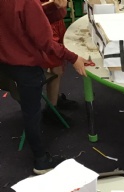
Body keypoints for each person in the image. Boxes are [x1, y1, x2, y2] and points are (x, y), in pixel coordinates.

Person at [0, 0, 87, 175]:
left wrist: (51, 8)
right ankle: (41, 161)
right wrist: (73, 57)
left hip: (6, 63)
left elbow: (22, 18)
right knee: (31, 113)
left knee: (30, 110)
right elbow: (44, 41)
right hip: (25, 66)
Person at [41, 0, 79, 121]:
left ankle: (55, 98)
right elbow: (31, 9)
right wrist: (53, 5)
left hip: (56, 21)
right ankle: (51, 109)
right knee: (56, 66)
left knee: (60, 64)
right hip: (45, 25)